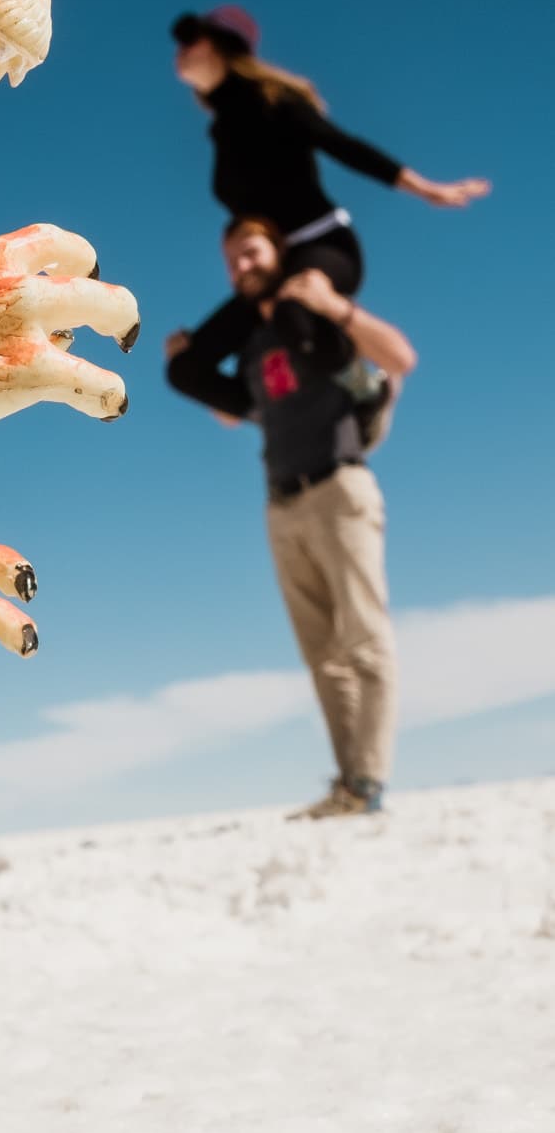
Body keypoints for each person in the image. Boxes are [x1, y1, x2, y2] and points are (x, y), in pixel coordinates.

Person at [165, 218, 417, 819]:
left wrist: (334, 305)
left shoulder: (316, 319)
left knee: (364, 640)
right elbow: (243, 414)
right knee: (323, 655)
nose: (241, 268)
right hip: (281, 502)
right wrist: (190, 367)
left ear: (278, 253)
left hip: (340, 490)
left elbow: (400, 358)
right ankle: (349, 786)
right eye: (231, 262)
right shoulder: (253, 343)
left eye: (250, 253)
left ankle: (368, 786)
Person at [170, 5, 488, 361]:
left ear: (221, 47)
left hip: (326, 244)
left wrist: (427, 189)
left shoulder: (272, 101)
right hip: (273, 265)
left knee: (293, 312)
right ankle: (273, 409)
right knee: (187, 365)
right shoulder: (221, 129)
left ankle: (364, 384)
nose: (179, 50)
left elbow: (342, 145)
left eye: (190, 39)